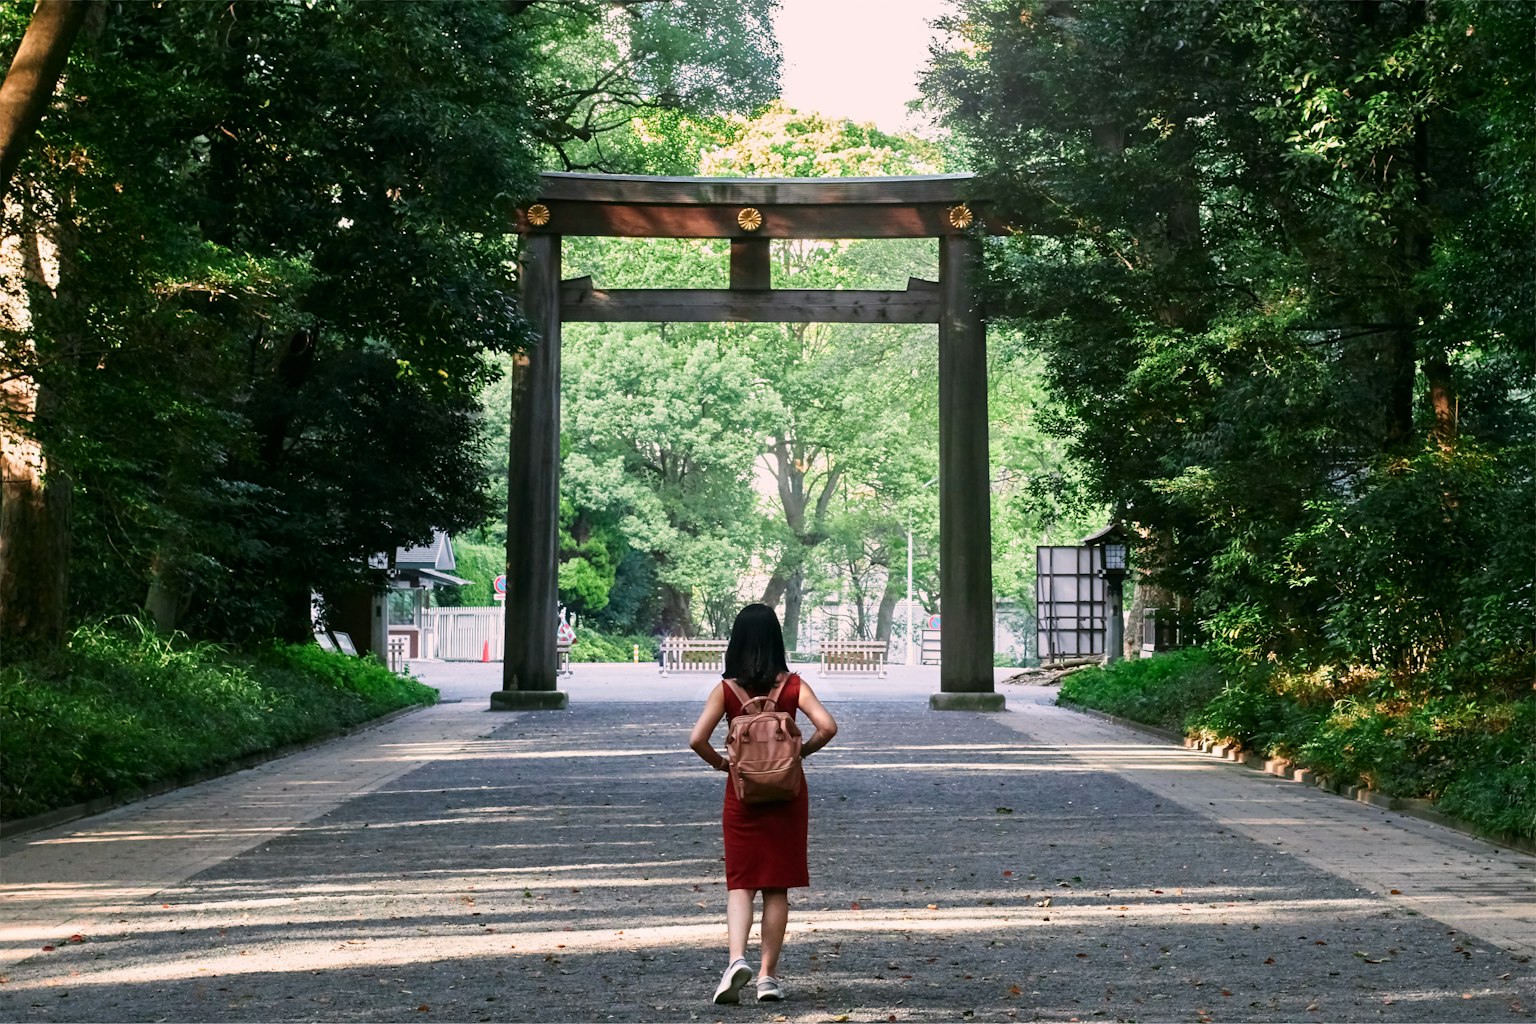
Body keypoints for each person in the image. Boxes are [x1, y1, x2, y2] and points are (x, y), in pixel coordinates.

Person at [688, 603, 838, 1005]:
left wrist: (726, 765)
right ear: (776, 639)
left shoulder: (727, 691)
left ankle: (737, 958)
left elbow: (696, 739)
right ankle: (768, 977)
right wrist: (797, 754)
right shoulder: (793, 686)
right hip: (787, 795)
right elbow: (828, 726)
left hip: (743, 795)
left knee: (741, 883)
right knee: (776, 887)